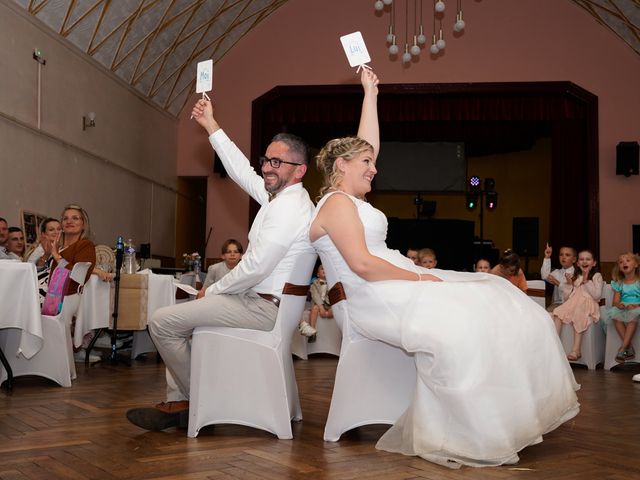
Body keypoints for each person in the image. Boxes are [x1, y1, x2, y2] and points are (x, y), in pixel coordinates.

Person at [310, 69, 578, 468]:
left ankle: (505, 417)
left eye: (372, 160)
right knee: (465, 319)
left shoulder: (354, 201)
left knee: (495, 295)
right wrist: (419, 275)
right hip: (373, 297)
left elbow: (369, 143)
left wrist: (370, 93)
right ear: (342, 164)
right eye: (366, 162)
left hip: (393, 283)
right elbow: (363, 264)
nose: (374, 167)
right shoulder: (336, 204)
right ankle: (467, 428)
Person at [126, 86, 317, 432]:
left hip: (263, 307)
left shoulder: (290, 208)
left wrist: (211, 291)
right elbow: (242, 172)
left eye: (277, 162)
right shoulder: (282, 199)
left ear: (299, 170)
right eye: (266, 160)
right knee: (180, 318)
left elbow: (256, 266)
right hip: (259, 301)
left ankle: (198, 398)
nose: (267, 168)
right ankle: (185, 400)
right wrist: (211, 125)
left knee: (162, 322)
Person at [552, 249, 603, 361]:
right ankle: (555, 345)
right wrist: (569, 284)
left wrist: (586, 281)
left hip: (588, 304)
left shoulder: (596, 276)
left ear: (594, 263)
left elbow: (597, 295)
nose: (584, 261)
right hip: (573, 302)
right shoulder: (576, 276)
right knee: (557, 313)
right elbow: (566, 298)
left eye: (588, 259)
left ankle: (576, 350)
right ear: (578, 263)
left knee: (578, 314)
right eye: (581, 259)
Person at [604, 252, 640, 363]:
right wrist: (619, 305)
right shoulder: (619, 283)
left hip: (637, 306)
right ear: (619, 267)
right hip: (624, 308)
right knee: (615, 315)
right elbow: (615, 302)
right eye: (621, 262)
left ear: (636, 265)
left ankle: (623, 347)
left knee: (633, 316)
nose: (624, 262)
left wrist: (636, 305)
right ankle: (629, 347)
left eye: (628, 260)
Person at [299, 263, 333, 339]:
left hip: (328, 304)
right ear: (318, 274)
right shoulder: (314, 284)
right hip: (318, 304)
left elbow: (332, 295)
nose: (325, 270)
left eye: (327, 269)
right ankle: (312, 330)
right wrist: (321, 307)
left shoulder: (332, 284)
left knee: (336, 310)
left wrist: (331, 307)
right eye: (322, 269)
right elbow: (315, 296)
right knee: (315, 309)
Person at [541, 243, 576, 312]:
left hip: (571, 306)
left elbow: (573, 292)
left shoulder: (576, 274)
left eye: (567, 255)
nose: (563, 257)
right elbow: (544, 276)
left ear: (574, 259)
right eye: (561, 254)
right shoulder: (557, 272)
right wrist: (547, 257)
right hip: (556, 305)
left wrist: (557, 283)